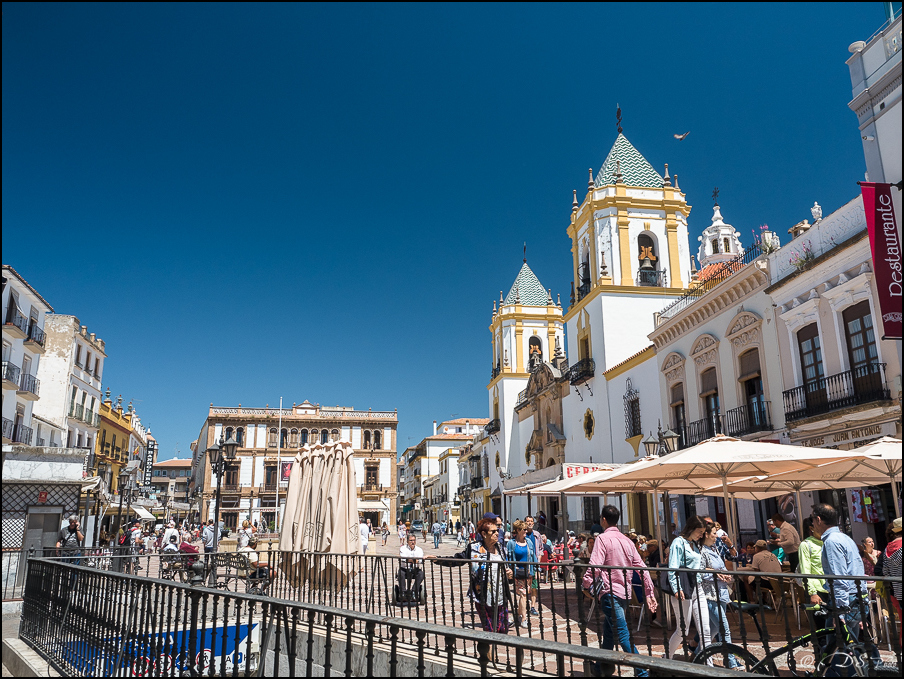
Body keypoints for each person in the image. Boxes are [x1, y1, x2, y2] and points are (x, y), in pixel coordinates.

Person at [583, 505, 658, 677]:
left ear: (603, 519)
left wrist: (586, 583)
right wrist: (649, 592)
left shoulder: (602, 539)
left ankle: (642, 673)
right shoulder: (627, 541)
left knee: (623, 634)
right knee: (610, 632)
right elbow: (642, 567)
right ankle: (599, 668)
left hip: (610, 592)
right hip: (624, 591)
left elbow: (595, 565)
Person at [812, 502, 879, 674]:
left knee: (838, 651)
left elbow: (838, 577)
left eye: (812, 520)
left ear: (818, 520)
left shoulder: (832, 542)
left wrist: (839, 611)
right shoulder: (845, 538)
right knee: (849, 647)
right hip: (855, 597)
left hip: (845, 601)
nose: (812, 524)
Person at [667, 516, 712, 664]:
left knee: (705, 631)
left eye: (703, 532)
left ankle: (710, 668)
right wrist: (676, 588)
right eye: (700, 531)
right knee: (683, 631)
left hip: (697, 588)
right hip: (683, 590)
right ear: (691, 528)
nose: (701, 535)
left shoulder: (695, 544)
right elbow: (672, 568)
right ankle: (668, 658)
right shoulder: (678, 543)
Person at [699, 523, 740, 668]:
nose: (717, 536)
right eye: (714, 533)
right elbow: (700, 572)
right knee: (724, 628)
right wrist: (717, 575)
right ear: (706, 534)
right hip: (710, 594)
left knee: (713, 629)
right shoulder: (701, 551)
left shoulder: (714, 548)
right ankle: (730, 660)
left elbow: (732, 558)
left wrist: (724, 575)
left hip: (721, 592)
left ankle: (698, 654)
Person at [468, 518, 512, 633]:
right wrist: (436, 559)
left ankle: (495, 650)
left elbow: (506, 567)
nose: (497, 533)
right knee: (490, 631)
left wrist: (509, 574)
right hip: (483, 595)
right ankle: (490, 651)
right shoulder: (474, 548)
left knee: (503, 630)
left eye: (497, 530)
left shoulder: (501, 548)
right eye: (493, 531)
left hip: (501, 595)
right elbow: (458, 559)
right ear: (484, 534)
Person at [506, 519, 538, 628]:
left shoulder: (529, 542)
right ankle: (524, 619)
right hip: (517, 573)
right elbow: (508, 558)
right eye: (524, 529)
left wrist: (534, 571)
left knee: (523, 595)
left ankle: (517, 616)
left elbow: (533, 557)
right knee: (523, 594)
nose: (526, 531)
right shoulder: (511, 543)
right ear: (518, 530)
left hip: (528, 572)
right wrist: (509, 569)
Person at [797, 516, 828, 621]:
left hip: (832, 589)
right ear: (812, 528)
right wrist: (812, 593)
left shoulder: (829, 542)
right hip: (817, 591)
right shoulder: (806, 545)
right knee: (822, 627)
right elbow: (805, 571)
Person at [397, 533, 435, 604]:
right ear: (407, 541)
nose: (412, 542)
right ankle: (403, 592)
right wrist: (414, 560)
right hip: (405, 568)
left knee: (421, 574)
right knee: (401, 574)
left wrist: (411, 560)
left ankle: (414, 591)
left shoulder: (419, 550)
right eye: (411, 540)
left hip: (415, 569)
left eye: (414, 540)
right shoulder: (403, 548)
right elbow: (404, 558)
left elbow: (420, 560)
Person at [523, 515, 544, 616]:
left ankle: (533, 607)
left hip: (535, 564)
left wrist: (538, 561)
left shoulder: (537, 535)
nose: (530, 523)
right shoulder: (522, 534)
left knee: (534, 587)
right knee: (525, 587)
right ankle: (523, 605)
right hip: (524, 565)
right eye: (528, 521)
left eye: (531, 521)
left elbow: (540, 549)